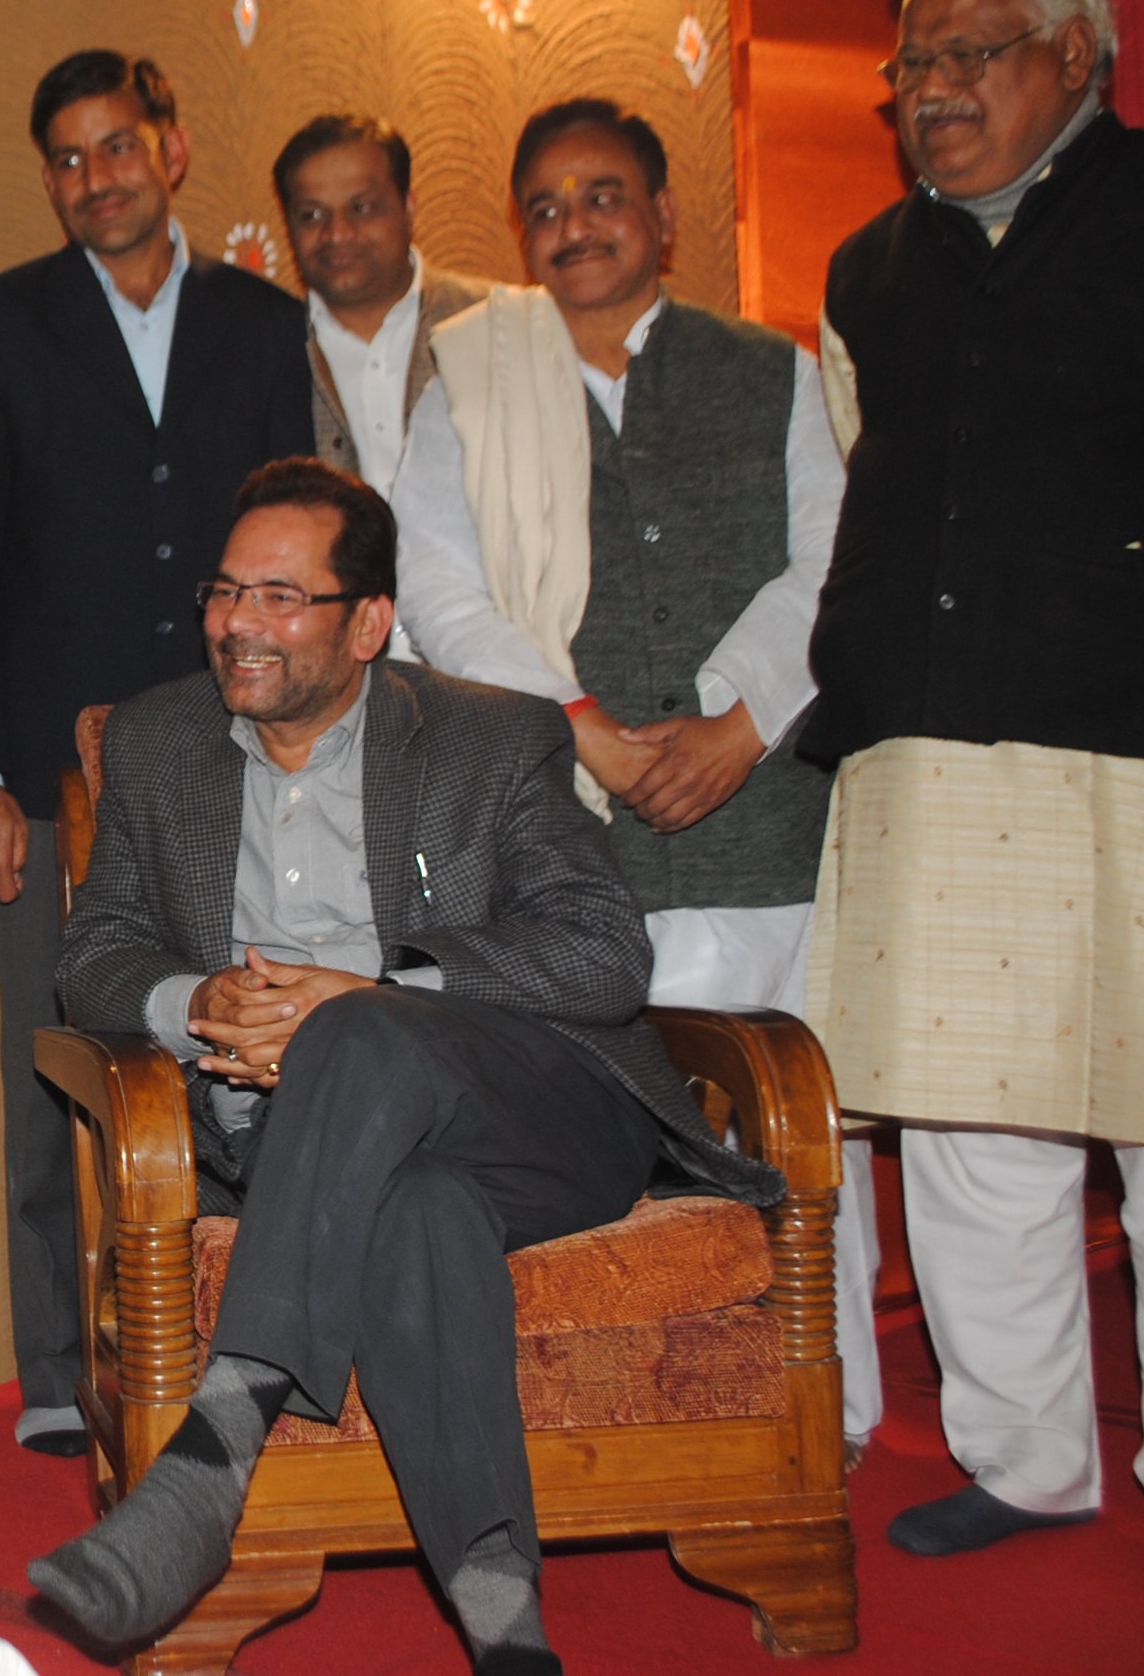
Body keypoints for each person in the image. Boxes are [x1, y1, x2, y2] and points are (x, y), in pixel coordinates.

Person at [28, 459, 775, 1676]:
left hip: (536, 1115)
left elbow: (601, 955)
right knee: (417, 1215)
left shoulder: (487, 737)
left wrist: (382, 992)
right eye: (225, 593)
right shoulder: (160, 743)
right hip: (307, 1151)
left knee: (358, 1026)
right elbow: (96, 954)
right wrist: (199, 1003)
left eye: (281, 596)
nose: (237, 625)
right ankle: (504, 1622)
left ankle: (216, 1451)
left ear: (369, 624)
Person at [802, 0, 1144, 1597]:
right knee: (969, 1131)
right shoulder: (865, 267)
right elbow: (868, 478)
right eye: (914, 64)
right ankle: (1022, 1455)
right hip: (937, 762)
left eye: (975, 53)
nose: (932, 89)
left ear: (1074, 56)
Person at [389, 98, 871, 1447]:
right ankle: (647, 1410)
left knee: (795, 1108)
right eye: (544, 206)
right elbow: (441, 589)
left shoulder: (766, 370)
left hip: (761, 812)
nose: (574, 224)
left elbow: (831, 564)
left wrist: (740, 721)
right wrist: (581, 727)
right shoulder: (471, 382)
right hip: (569, 822)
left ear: (664, 217)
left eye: (604, 195)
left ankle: (820, 1408)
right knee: (608, 1130)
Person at [0, 49, 313, 1455]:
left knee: (238, 1054)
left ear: (174, 148)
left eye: (118, 148)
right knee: (61, 1060)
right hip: (40, 779)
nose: (97, 177)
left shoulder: (265, 326)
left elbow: (299, 549)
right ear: (51, 180)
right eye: (69, 160)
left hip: (231, 762)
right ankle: (51, 1368)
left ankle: (240, 1344)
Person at [274, 111, 494, 498]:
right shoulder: (269, 349)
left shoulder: (493, 321)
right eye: (312, 215)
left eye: (361, 208)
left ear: (409, 208)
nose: (337, 233)